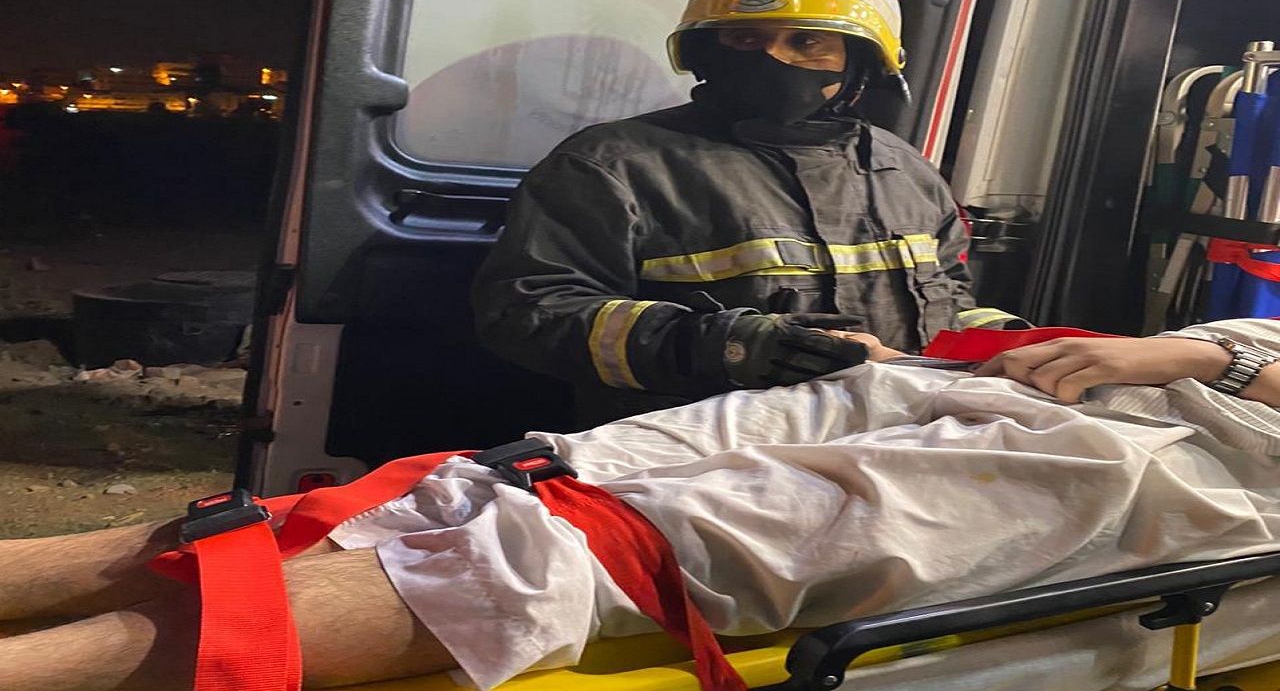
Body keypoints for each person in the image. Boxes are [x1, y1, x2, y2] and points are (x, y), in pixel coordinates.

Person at [1, 319, 1278, 691]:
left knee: (586, 544)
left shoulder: (884, 169)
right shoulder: (625, 162)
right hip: (1044, 381)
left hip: (1176, 451)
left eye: (825, 47)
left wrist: (1202, 358)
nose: (803, 67)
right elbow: (542, 302)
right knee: (507, 480)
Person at [471, 0, 1029, 427]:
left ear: (863, 61)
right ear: (707, 50)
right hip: (686, 463)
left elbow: (950, 303)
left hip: (886, 442)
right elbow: (527, 312)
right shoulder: (611, 166)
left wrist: (1016, 343)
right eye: (744, 39)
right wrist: (720, 346)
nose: (771, 58)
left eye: (807, 42)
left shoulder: (907, 171)